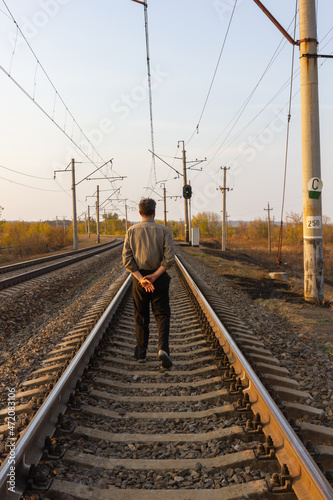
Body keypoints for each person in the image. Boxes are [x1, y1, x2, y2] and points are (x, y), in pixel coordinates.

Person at [122, 198, 175, 368]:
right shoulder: (164, 231)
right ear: (154, 212)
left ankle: (141, 354)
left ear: (139, 213)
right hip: (158, 278)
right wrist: (155, 276)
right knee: (162, 314)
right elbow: (169, 259)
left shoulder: (131, 231)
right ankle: (163, 349)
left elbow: (127, 259)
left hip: (140, 280)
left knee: (141, 315)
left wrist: (141, 279)